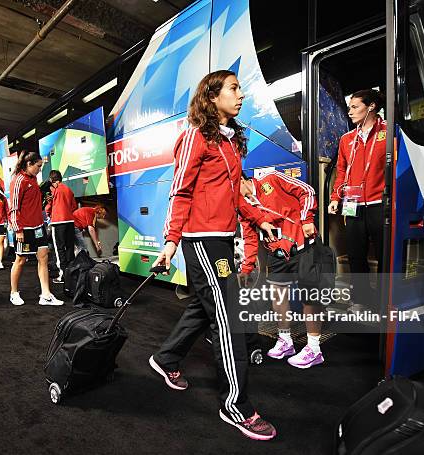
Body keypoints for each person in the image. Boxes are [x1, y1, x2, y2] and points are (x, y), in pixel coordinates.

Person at [149, 70, 278, 441]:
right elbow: (181, 191)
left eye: (240, 89)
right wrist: (172, 241)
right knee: (228, 317)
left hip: (222, 239)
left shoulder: (230, 143)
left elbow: (235, 194)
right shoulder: (194, 137)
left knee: (204, 307)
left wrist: (260, 220)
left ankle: (166, 358)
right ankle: (235, 405)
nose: (241, 95)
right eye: (234, 89)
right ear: (212, 97)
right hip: (201, 240)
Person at [238, 172, 325, 368]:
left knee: (309, 298)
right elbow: (250, 239)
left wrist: (307, 219)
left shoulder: (271, 179)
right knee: (278, 298)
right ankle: (285, 341)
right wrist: (247, 267)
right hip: (276, 253)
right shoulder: (243, 207)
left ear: (241, 180)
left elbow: (307, 191)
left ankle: (314, 348)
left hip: (304, 246)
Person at [328, 89, 386, 309]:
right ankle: (361, 299)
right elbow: (341, 171)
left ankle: (383, 300)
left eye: (354, 107)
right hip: (352, 204)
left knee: (383, 255)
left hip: (378, 204)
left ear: (370, 107)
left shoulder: (388, 132)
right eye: (349, 107)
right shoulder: (347, 139)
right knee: (355, 255)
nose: (349, 112)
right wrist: (336, 197)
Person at [8, 151, 64, 306]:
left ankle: (45, 295)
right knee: (20, 260)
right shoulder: (18, 180)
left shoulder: (33, 179)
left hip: (39, 226)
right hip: (24, 229)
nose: (40, 169)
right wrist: (18, 229)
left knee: (43, 257)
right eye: (38, 166)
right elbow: (13, 207)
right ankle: (14, 293)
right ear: (29, 164)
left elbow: (33, 204)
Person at [45, 170, 78, 283]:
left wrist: (49, 206)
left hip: (58, 223)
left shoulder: (55, 191)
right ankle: (72, 273)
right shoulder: (69, 190)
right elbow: (74, 206)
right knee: (69, 248)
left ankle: (63, 275)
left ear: (51, 180)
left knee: (60, 249)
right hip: (70, 222)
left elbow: (49, 208)